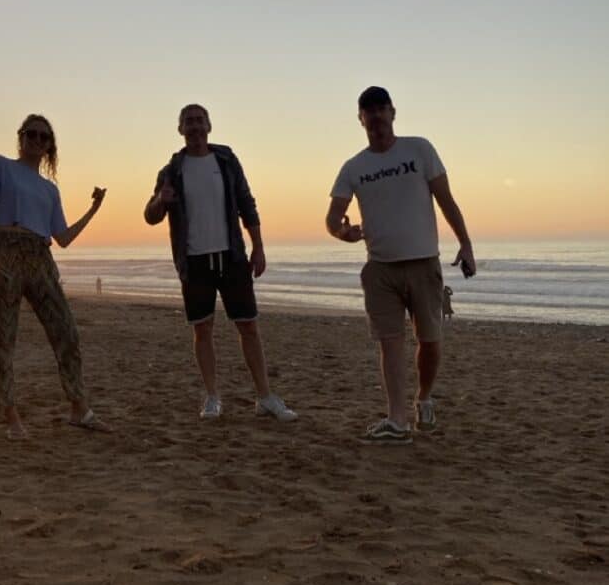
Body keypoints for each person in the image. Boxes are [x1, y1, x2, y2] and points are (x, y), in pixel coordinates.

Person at [326, 86, 476, 443]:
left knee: (430, 341)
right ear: (359, 118)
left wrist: (466, 244)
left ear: (393, 112)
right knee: (389, 343)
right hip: (380, 269)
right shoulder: (354, 167)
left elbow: (446, 200)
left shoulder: (419, 149)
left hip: (424, 264)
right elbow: (333, 218)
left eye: (381, 109)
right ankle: (397, 419)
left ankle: (423, 397)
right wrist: (343, 232)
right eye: (369, 111)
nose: (376, 116)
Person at [144, 103, 296, 422]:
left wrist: (258, 247)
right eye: (189, 122)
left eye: (200, 120)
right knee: (202, 330)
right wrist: (161, 200)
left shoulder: (225, 160)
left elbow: (246, 202)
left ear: (210, 125)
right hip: (194, 262)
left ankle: (265, 396)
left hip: (232, 257)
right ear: (180, 129)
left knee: (248, 326)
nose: (195, 126)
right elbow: (151, 215)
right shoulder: (172, 170)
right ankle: (212, 396)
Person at [0, 113, 109, 438]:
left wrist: (94, 209)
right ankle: (11, 416)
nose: (36, 141)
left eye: (43, 137)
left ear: (50, 146)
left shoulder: (49, 189)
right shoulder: (0, 166)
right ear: (20, 137)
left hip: (40, 255)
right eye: (30, 134)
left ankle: (79, 407)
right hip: (4, 250)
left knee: (66, 331)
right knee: (4, 338)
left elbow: (62, 237)